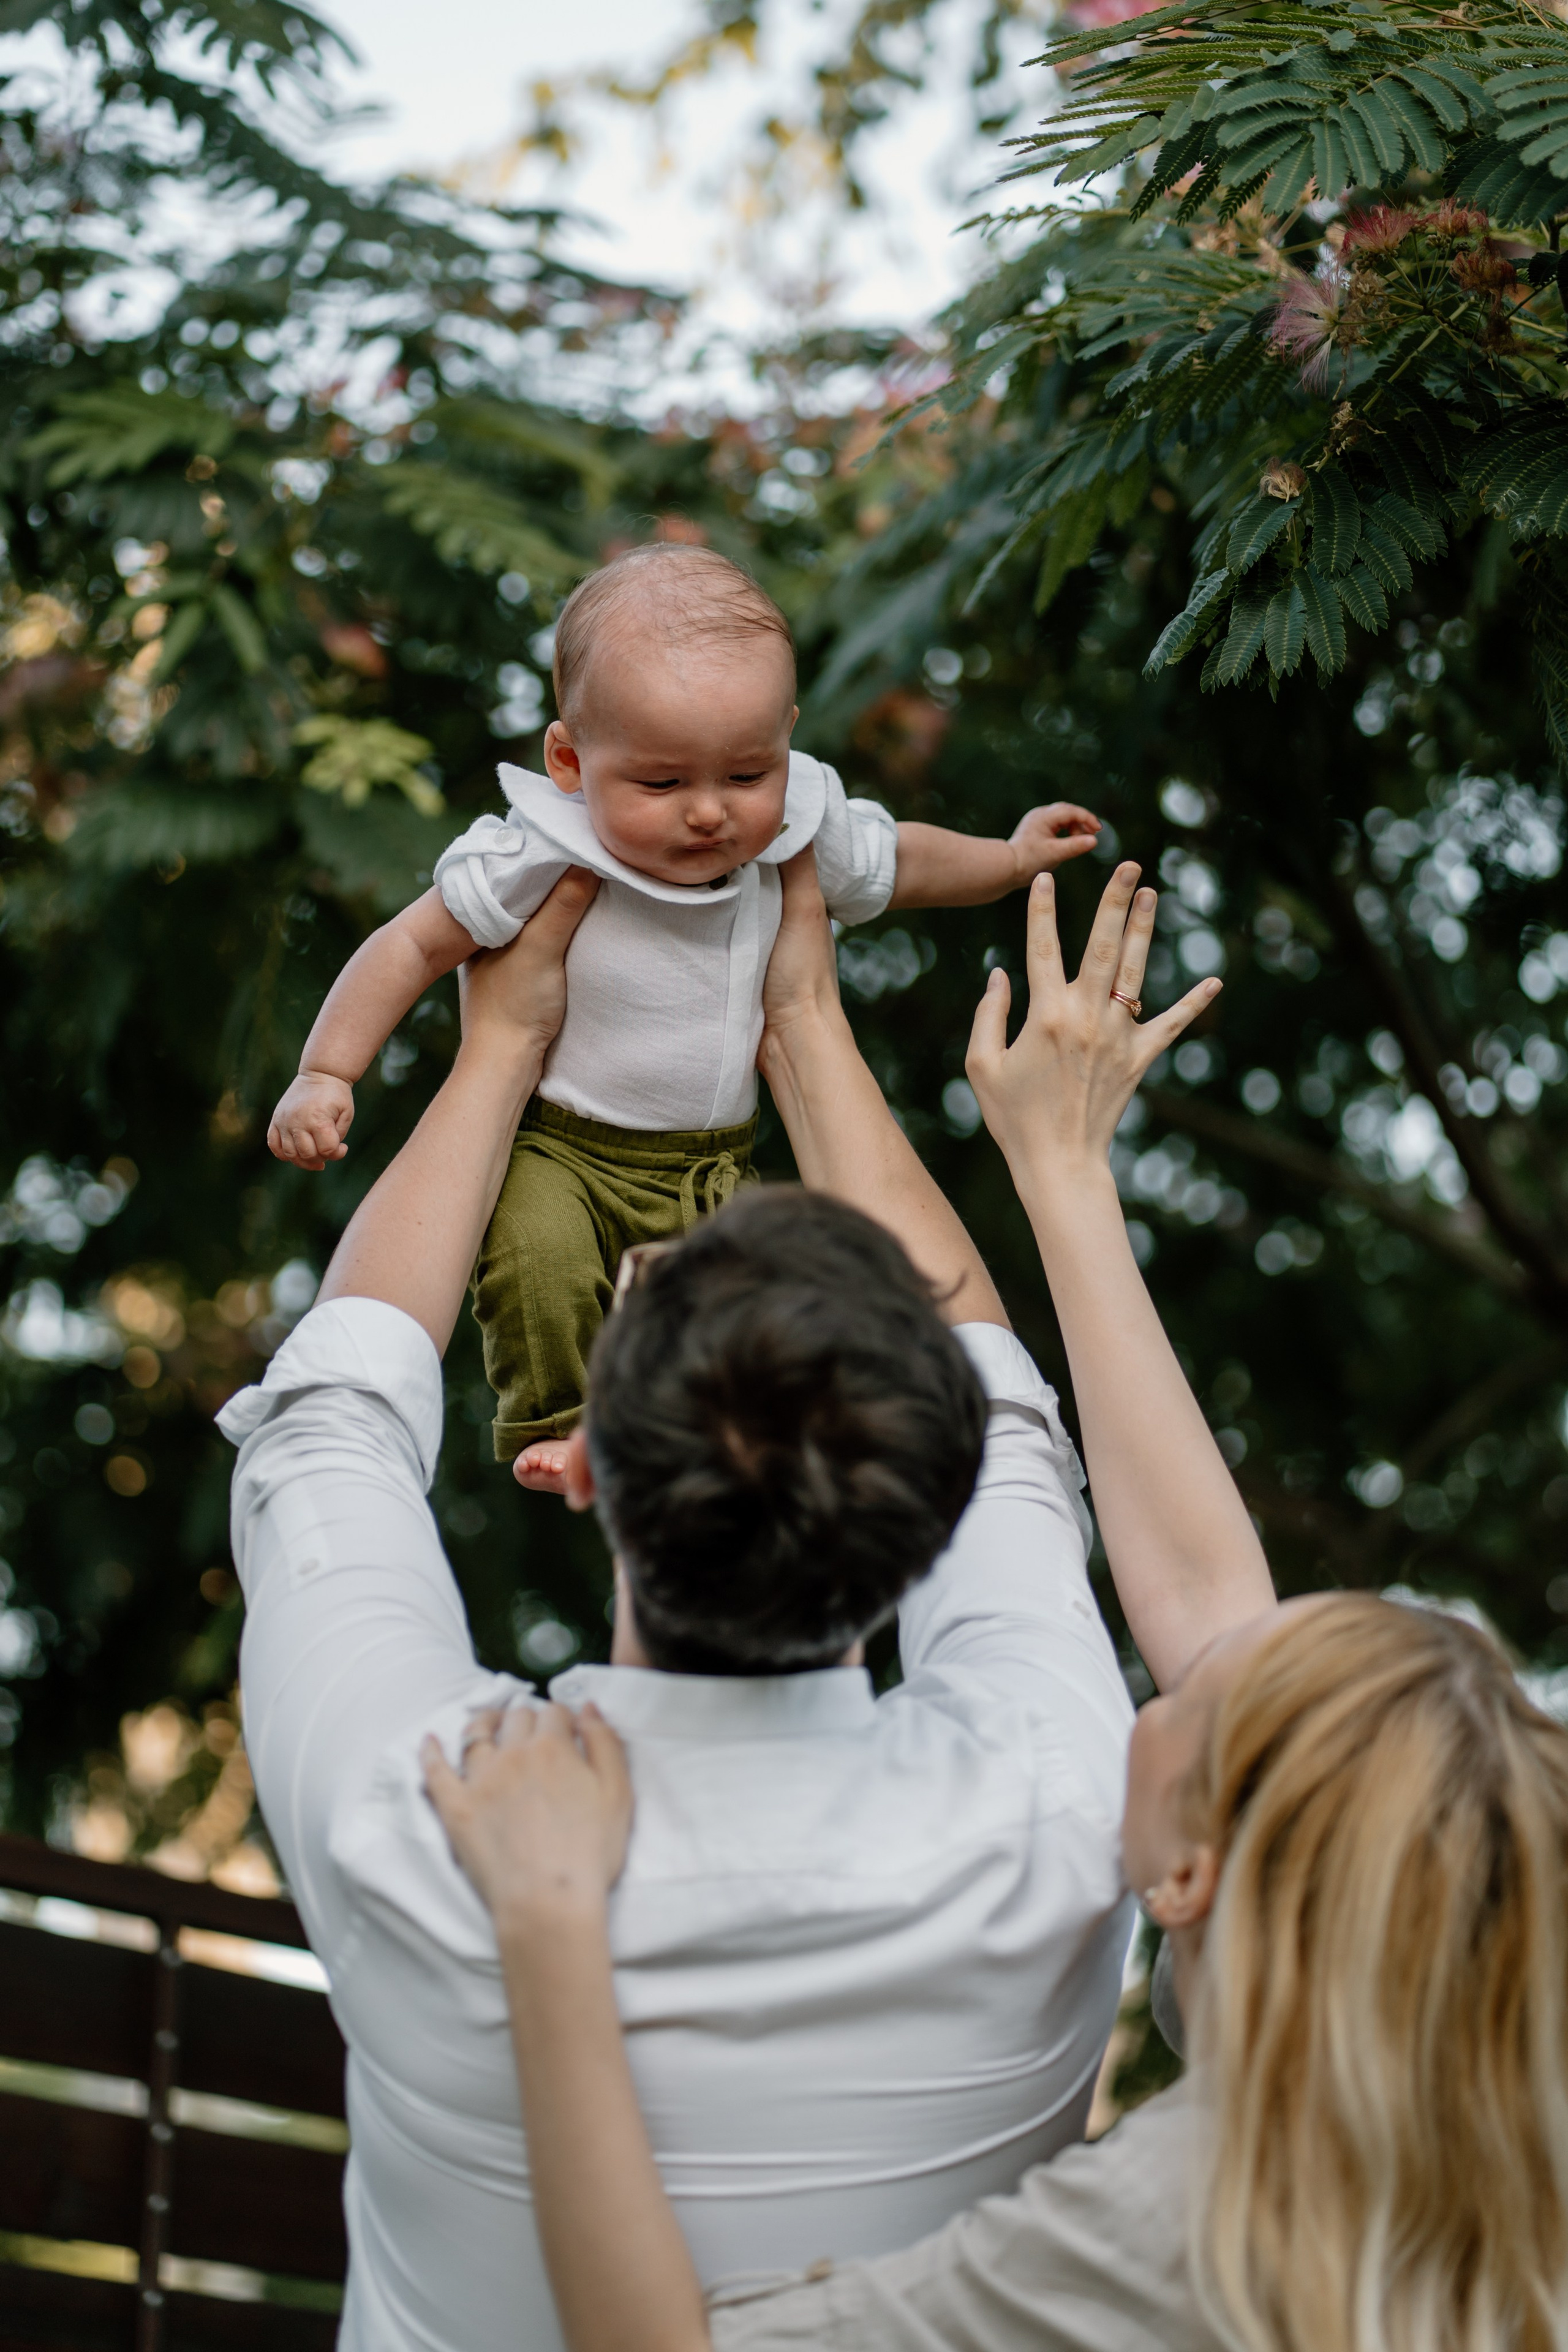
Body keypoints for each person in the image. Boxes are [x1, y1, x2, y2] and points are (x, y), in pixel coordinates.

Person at [424, 876, 1568, 2352]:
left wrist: (548, 1926)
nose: (1169, 1670)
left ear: (1188, 1877)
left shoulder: (1178, 2228)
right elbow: (1208, 1602)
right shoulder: (1444, 1997)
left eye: (1184, 1701)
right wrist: (1056, 1165)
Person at [217, 843, 1262, 2352]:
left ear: (579, 1464)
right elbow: (1006, 1419)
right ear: (929, 1514)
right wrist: (804, 1024)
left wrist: (500, 1049)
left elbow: (325, 1422)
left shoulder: (422, 1811)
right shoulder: (1061, 1799)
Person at [263, 544, 1102, 1479]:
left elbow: (900, 861)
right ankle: (563, 1422)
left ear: (785, 737)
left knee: (751, 1310)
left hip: (713, 1162)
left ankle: (725, 1445)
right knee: (536, 1262)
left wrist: (1010, 858)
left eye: (746, 775)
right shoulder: (541, 846)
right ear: (569, 759)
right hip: (562, 1148)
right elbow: (413, 945)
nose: (709, 812)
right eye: (662, 784)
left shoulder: (798, 824)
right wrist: (326, 1070)